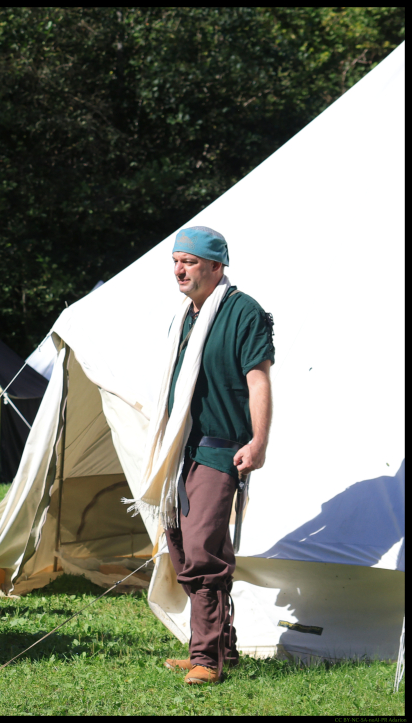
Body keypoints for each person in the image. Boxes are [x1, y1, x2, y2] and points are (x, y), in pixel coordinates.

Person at [157, 226, 275, 685]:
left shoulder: (243, 313)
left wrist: (258, 442)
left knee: (204, 549)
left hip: (219, 448)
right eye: (175, 261)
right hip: (180, 451)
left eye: (188, 261)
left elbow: (258, 380)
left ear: (216, 266)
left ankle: (206, 657)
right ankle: (219, 647)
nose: (179, 269)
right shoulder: (187, 316)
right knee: (181, 545)